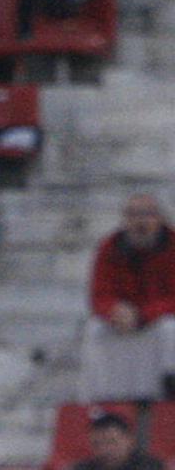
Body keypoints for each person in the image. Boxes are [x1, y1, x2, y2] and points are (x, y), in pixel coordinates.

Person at [79, 193, 175, 402]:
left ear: (160, 218)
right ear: (124, 220)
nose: (140, 221)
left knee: (170, 329)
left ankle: (169, 391)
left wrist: (143, 314)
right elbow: (99, 295)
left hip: (158, 319)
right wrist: (114, 311)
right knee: (94, 330)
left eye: (147, 215)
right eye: (133, 215)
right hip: (124, 320)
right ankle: (99, 400)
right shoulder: (109, 248)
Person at [72, 412, 163, 470]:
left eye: (112, 442)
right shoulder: (82, 468)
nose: (105, 450)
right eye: (97, 444)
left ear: (129, 440)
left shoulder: (150, 466)